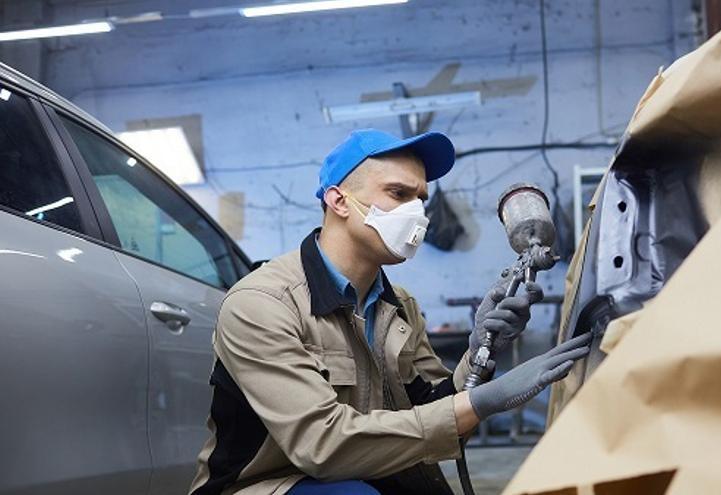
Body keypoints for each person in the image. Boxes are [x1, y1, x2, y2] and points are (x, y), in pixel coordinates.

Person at [189, 129, 591, 495]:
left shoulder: (398, 305)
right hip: (268, 484)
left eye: (421, 199)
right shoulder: (263, 303)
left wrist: (479, 354)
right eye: (399, 195)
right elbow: (322, 445)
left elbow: (433, 411)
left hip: (361, 471)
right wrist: (484, 402)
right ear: (338, 200)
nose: (417, 213)